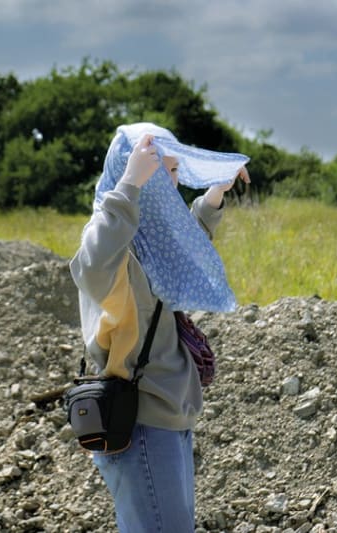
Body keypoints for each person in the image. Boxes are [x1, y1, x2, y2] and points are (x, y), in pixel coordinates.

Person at [69, 122, 250, 532]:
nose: (170, 182)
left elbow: (184, 250)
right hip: (142, 419)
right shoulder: (112, 238)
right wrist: (130, 184)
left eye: (171, 172)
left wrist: (214, 195)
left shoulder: (146, 239)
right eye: (161, 170)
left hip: (167, 414)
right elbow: (91, 266)